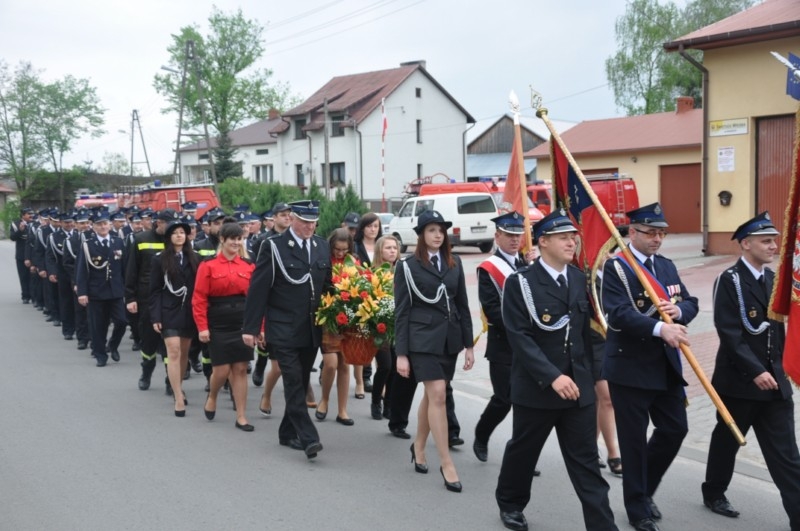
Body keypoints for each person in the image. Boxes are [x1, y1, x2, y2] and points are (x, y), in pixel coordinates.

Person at [495, 210, 616, 531]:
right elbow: (520, 338)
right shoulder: (521, 283)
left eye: (573, 237)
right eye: (563, 238)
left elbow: (589, 335)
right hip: (537, 390)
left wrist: (596, 376)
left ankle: (603, 525)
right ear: (543, 242)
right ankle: (510, 503)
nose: (572, 243)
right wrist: (552, 377)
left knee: (586, 463)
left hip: (578, 390)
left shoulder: (579, 279)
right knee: (524, 451)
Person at [602, 203, 698, 531]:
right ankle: (637, 509)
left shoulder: (666, 266)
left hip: (665, 366)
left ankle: (644, 490)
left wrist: (680, 311)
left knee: (675, 429)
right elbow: (618, 313)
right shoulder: (616, 268)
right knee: (633, 442)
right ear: (632, 232)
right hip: (629, 368)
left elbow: (690, 302)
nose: (657, 239)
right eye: (651, 233)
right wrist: (660, 328)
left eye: (661, 234)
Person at [701, 212, 800, 528]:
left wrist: (781, 369)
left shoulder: (774, 281)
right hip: (740, 383)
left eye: (774, 241)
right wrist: (755, 370)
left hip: (775, 385)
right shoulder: (729, 280)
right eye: (766, 241)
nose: (773, 247)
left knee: (787, 456)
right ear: (746, 244)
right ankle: (714, 492)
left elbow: (779, 332)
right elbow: (729, 332)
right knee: (727, 441)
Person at [243, 200, 332, 459]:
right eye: (304, 222)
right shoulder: (274, 246)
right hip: (282, 326)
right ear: (292, 219)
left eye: (313, 223)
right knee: (293, 379)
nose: (309, 227)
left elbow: (327, 286)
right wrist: (251, 327)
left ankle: (286, 432)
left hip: (310, 327)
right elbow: (259, 288)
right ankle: (308, 437)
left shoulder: (321, 246)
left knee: (301, 380)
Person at [394, 209, 474, 493]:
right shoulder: (407, 267)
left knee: (432, 396)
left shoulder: (454, 262)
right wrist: (401, 353)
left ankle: (418, 445)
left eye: (441, 230)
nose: (438, 235)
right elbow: (402, 312)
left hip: (449, 340)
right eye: (431, 230)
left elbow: (462, 304)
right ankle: (446, 463)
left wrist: (469, 345)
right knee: (438, 393)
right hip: (422, 341)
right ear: (421, 235)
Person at [473, 212, 537, 463]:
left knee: (527, 402)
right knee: (504, 399)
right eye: (509, 235)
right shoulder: (489, 268)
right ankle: (482, 433)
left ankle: (521, 455)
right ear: (497, 236)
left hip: (529, 345)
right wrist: (522, 326)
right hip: (504, 345)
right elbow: (492, 308)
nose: (514, 240)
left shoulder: (528, 265)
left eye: (518, 235)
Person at [193, 221, 255, 431]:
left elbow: (256, 299)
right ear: (222, 240)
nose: (236, 243)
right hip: (218, 322)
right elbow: (199, 298)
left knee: (240, 369)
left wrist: (259, 327)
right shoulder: (208, 265)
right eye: (232, 239)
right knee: (221, 370)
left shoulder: (248, 265)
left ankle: (241, 416)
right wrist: (202, 327)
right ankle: (213, 395)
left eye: (239, 239)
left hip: (242, 321)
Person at [150, 220, 199, 417]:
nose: (179, 235)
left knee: (184, 352)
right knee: (173, 351)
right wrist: (155, 316)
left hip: (188, 311)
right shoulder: (159, 259)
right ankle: (178, 396)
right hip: (168, 311)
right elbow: (154, 290)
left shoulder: (195, 258)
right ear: (168, 237)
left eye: (182, 232)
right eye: (175, 232)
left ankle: (179, 386)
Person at [127, 208, 175, 392]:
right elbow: (131, 270)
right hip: (147, 298)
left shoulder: (176, 240)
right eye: (168, 225)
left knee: (170, 342)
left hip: (171, 299)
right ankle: (146, 372)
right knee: (148, 341)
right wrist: (130, 297)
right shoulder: (141, 239)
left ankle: (171, 381)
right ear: (159, 223)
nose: (172, 230)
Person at [75, 212, 127, 367]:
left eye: (105, 224)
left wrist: (129, 290)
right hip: (96, 291)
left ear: (110, 225)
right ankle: (100, 354)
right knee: (98, 325)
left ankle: (113, 345)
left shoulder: (118, 242)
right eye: (99, 224)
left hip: (116, 290)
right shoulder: (87, 245)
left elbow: (124, 268)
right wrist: (82, 292)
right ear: (93, 227)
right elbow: (82, 270)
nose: (103, 227)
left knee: (122, 321)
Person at [315, 228, 356, 426]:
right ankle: (324, 399)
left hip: (348, 317)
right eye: (337, 249)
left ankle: (342, 410)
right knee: (330, 363)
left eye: (344, 250)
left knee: (345, 364)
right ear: (331, 246)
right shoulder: (323, 260)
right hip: (328, 314)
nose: (340, 253)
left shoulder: (353, 262)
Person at [369, 234, 400, 420]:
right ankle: (376, 401)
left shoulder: (402, 271)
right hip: (379, 327)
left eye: (395, 248)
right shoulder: (373, 273)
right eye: (388, 248)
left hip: (398, 326)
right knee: (385, 366)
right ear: (380, 250)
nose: (392, 251)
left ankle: (389, 404)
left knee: (396, 368)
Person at [352, 212, 381, 396]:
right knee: (361, 338)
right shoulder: (355, 247)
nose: (373, 229)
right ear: (362, 228)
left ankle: (374, 378)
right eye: (369, 226)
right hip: (360, 297)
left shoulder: (382, 245)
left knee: (376, 340)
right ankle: (361, 381)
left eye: (376, 226)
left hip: (380, 296)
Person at [10, 207, 34, 304]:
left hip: (33, 254)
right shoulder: (15, 224)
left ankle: (34, 296)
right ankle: (25, 296)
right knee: (23, 276)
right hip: (21, 254)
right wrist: (20, 230)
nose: (31, 215)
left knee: (33, 277)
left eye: (32, 213)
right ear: (23, 215)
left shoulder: (34, 223)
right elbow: (12, 237)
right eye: (29, 214)